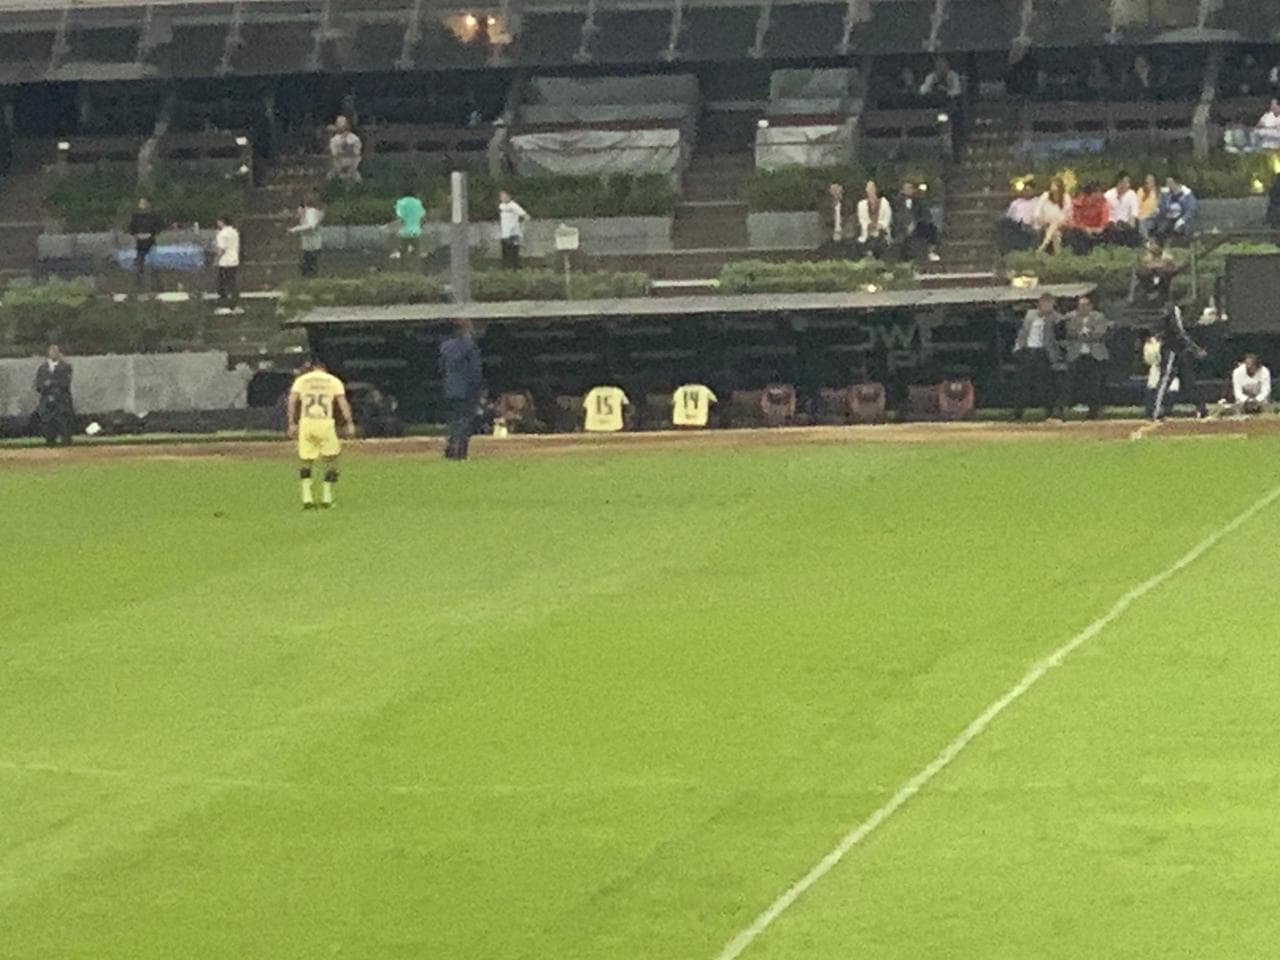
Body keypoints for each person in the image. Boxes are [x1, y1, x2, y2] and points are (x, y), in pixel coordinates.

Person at [288, 358, 355, 510]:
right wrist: (349, 422)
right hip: (325, 423)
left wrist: (292, 422)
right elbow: (342, 403)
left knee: (306, 459)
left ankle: (307, 497)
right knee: (331, 459)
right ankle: (327, 496)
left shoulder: (302, 380)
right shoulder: (333, 381)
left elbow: (292, 401)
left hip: (307, 422)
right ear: (324, 368)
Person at [1151, 301, 1208, 420]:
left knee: (1189, 379)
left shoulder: (1180, 313)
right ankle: (1156, 410)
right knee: (1166, 378)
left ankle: (1201, 408)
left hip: (1181, 350)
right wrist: (1195, 349)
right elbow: (1179, 332)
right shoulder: (1174, 310)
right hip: (1171, 349)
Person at [1011, 293, 1063, 421]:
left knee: (1045, 383)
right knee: (1022, 383)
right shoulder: (1030, 314)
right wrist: (1018, 347)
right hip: (1028, 351)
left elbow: (1061, 323)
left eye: (1051, 304)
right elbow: (1023, 331)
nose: (1048, 306)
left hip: (1043, 352)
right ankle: (1018, 412)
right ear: (1040, 304)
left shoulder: (1055, 317)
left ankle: (1049, 412)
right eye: (1046, 303)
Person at [1062, 294, 1112, 419]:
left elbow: (1099, 334)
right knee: (1072, 383)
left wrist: (1084, 335)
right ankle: (1067, 409)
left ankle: (1094, 411)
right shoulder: (1071, 317)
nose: (1082, 308)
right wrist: (1086, 334)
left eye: (1085, 305)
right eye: (1080, 305)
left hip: (1094, 356)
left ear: (1091, 306)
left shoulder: (1099, 317)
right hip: (1076, 356)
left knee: (1094, 385)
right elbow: (1070, 333)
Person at [439, 320, 483, 459]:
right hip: (467, 389)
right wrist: (478, 389)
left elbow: (441, 368)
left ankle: (451, 446)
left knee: (453, 420)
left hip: (450, 388)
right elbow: (475, 371)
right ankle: (460, 451)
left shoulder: (445, 346)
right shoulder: (470, 346)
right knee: (465, 420)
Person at [33, 344, 74, 445]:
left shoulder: (65, 367)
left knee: (64, 423)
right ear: (48, 353)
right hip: (47, 402)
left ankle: (66, 443)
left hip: (61, 401)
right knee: (48, 424)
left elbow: (64, 383)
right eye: (52, 351)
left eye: (56, 351)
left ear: (59, 353)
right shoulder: (42, 368)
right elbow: (39, 385)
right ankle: (50, 442)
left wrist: (50, 383)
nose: (54, 353)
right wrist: (47, 387)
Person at [895, 181, 940, 262]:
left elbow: (925, 214)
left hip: (917, 226)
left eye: (911, 188)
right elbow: (897, 215)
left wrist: (915, 223)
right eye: (907, 188)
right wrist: (906, 224)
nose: (909, 190)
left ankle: (931, 252)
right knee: (901, 236)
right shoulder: (897, 202)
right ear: (903, 190)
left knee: (931, 228)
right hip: (901, 226)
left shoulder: (919, 201)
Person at [128, 197, 163, 293]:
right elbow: (132, 229)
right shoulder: (135, 217)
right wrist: (137, 236)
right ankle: (138, 286)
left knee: (154, 265)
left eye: (143, 203)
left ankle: (157, 286)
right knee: (139, 265)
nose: (142, 205)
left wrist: (151, 235)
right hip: (140, 244)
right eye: (140, 203)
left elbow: (157, 228)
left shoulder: (153, 216)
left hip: (150, 242)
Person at [1065, 181, 1110, 255]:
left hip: (1096, 233)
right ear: (1092, 194)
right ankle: (1081, 252)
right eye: (1100, 192)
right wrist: (1084, 229)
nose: (1102, 195)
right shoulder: (1078, 203)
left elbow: (1104, 223)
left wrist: (1092, 229)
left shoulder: (1103, 203)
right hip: (1081, 232)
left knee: (1110, 229)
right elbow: (1072, 222)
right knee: (1074, 232)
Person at [997, 180, 1040, 252]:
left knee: (1022, 226)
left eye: (1029, 190)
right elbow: (1009, 215)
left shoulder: (1037, 201)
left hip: (1030, 227)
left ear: (1033, 191)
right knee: (1002, 222)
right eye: (1025, 190)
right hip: (1015, 226)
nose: (1026, 192)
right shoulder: (1016, 202)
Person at [288, 193, 324, 278]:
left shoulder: (311, 212)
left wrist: (295, 229)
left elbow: (311, 226)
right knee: (306, 267)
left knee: (309, 267)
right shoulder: (306, 214)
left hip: (313, 246)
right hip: (308, 246)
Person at [856, 180, 892, 259]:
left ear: (876, 189)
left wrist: (880, 225)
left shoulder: (884, 202)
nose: (870, 190)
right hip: (867, 232)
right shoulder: (861, 204)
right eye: (868, 188)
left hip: (881, 233)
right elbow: (862, 219)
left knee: (879, 240)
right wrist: (869, 225)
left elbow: (887, 218)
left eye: (872, 188)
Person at [1154, 175, 1197, 242]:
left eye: (1169, 182)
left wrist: (1182, 220)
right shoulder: (1166, 194)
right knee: (1161, 229)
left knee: (1180, 228)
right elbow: (1162, 207)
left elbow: (1191, 209)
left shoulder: (1187, 194)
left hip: (1182, 219)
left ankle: (1181, 245)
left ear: (1175, 183)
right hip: (1169, 218)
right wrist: (1158, 209)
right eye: (1167, 182)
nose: (1167, 184)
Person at [1034, 178, 1071, 254]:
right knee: (1055, 233)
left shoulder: (1066, 197)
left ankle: (1044, 245)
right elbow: (1038, 210)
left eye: (1057, 186)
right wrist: (1042, 221)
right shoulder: (1045, 196)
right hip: (1045, 222)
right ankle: (1058, 253)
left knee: (1054, 223)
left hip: (1061, 223)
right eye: (1053, 186)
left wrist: (1059, 222)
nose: (1055, 189)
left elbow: (1067, 214)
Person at [213, 215, 241, 315]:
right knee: (232, 283)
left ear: (222, 222)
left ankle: (225, 305)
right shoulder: (235, 232)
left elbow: (221, 249)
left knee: (222, 284)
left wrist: (216, 260)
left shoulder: (222, 234)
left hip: (225, 262)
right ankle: (234, 304)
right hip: (234, 260)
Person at [1103, 173, 1141, 246]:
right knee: (1111, 228)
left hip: (1126, 223)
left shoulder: (1131, 194)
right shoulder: (1108, 195)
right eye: (1126, 182)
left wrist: (1131, 225)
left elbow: (1134, 212)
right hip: (1112, 224)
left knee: (1129, 227)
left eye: (1129, 182)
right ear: (1119, 183)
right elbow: (1104, 212)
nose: (1128, 185)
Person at [391, 187, 426, 260]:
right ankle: (416, 268)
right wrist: (421, 227)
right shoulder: (418, 202)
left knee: (402, 253)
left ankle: (402, 268)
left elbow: (400, 219)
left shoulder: (400, 203)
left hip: (404, 232)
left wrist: (390, 227)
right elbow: (422, 218)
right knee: (417, 254)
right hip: (416, 232)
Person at [498, 190, 529, 269]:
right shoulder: (501, 206)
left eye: (505, 196)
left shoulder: (514, 205)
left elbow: (525, 216)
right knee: (505, 251)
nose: (503, 198)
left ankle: (515, 268)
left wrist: (521, 226)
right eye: (501, 197)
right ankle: (506, 268)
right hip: (505, 233)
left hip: (514, 232)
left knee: (514, 251)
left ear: (509, 196)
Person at [328, 115, 362, 184]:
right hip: (338, 167)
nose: (342, 126)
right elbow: (334, 155)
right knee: (329, 177)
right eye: (339, 124)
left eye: (343, 124)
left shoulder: (355, 139)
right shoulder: (334, 140)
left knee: (357, 180)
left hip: (351, 167)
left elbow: (357, 153)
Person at [1136, 173, 1160, 239]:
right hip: (1142, 217)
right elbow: (1137, 206)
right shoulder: (1141, 191)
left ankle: (1146, 241)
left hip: (1153, 217)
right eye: (1147, 182)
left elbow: (1158, 207)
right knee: (1142, 222)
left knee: (1144, 222)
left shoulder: (1157, 192)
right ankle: (1147, 241)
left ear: (1154, 182)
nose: (1148, 184)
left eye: (1151, 181)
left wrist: (1152, 214)